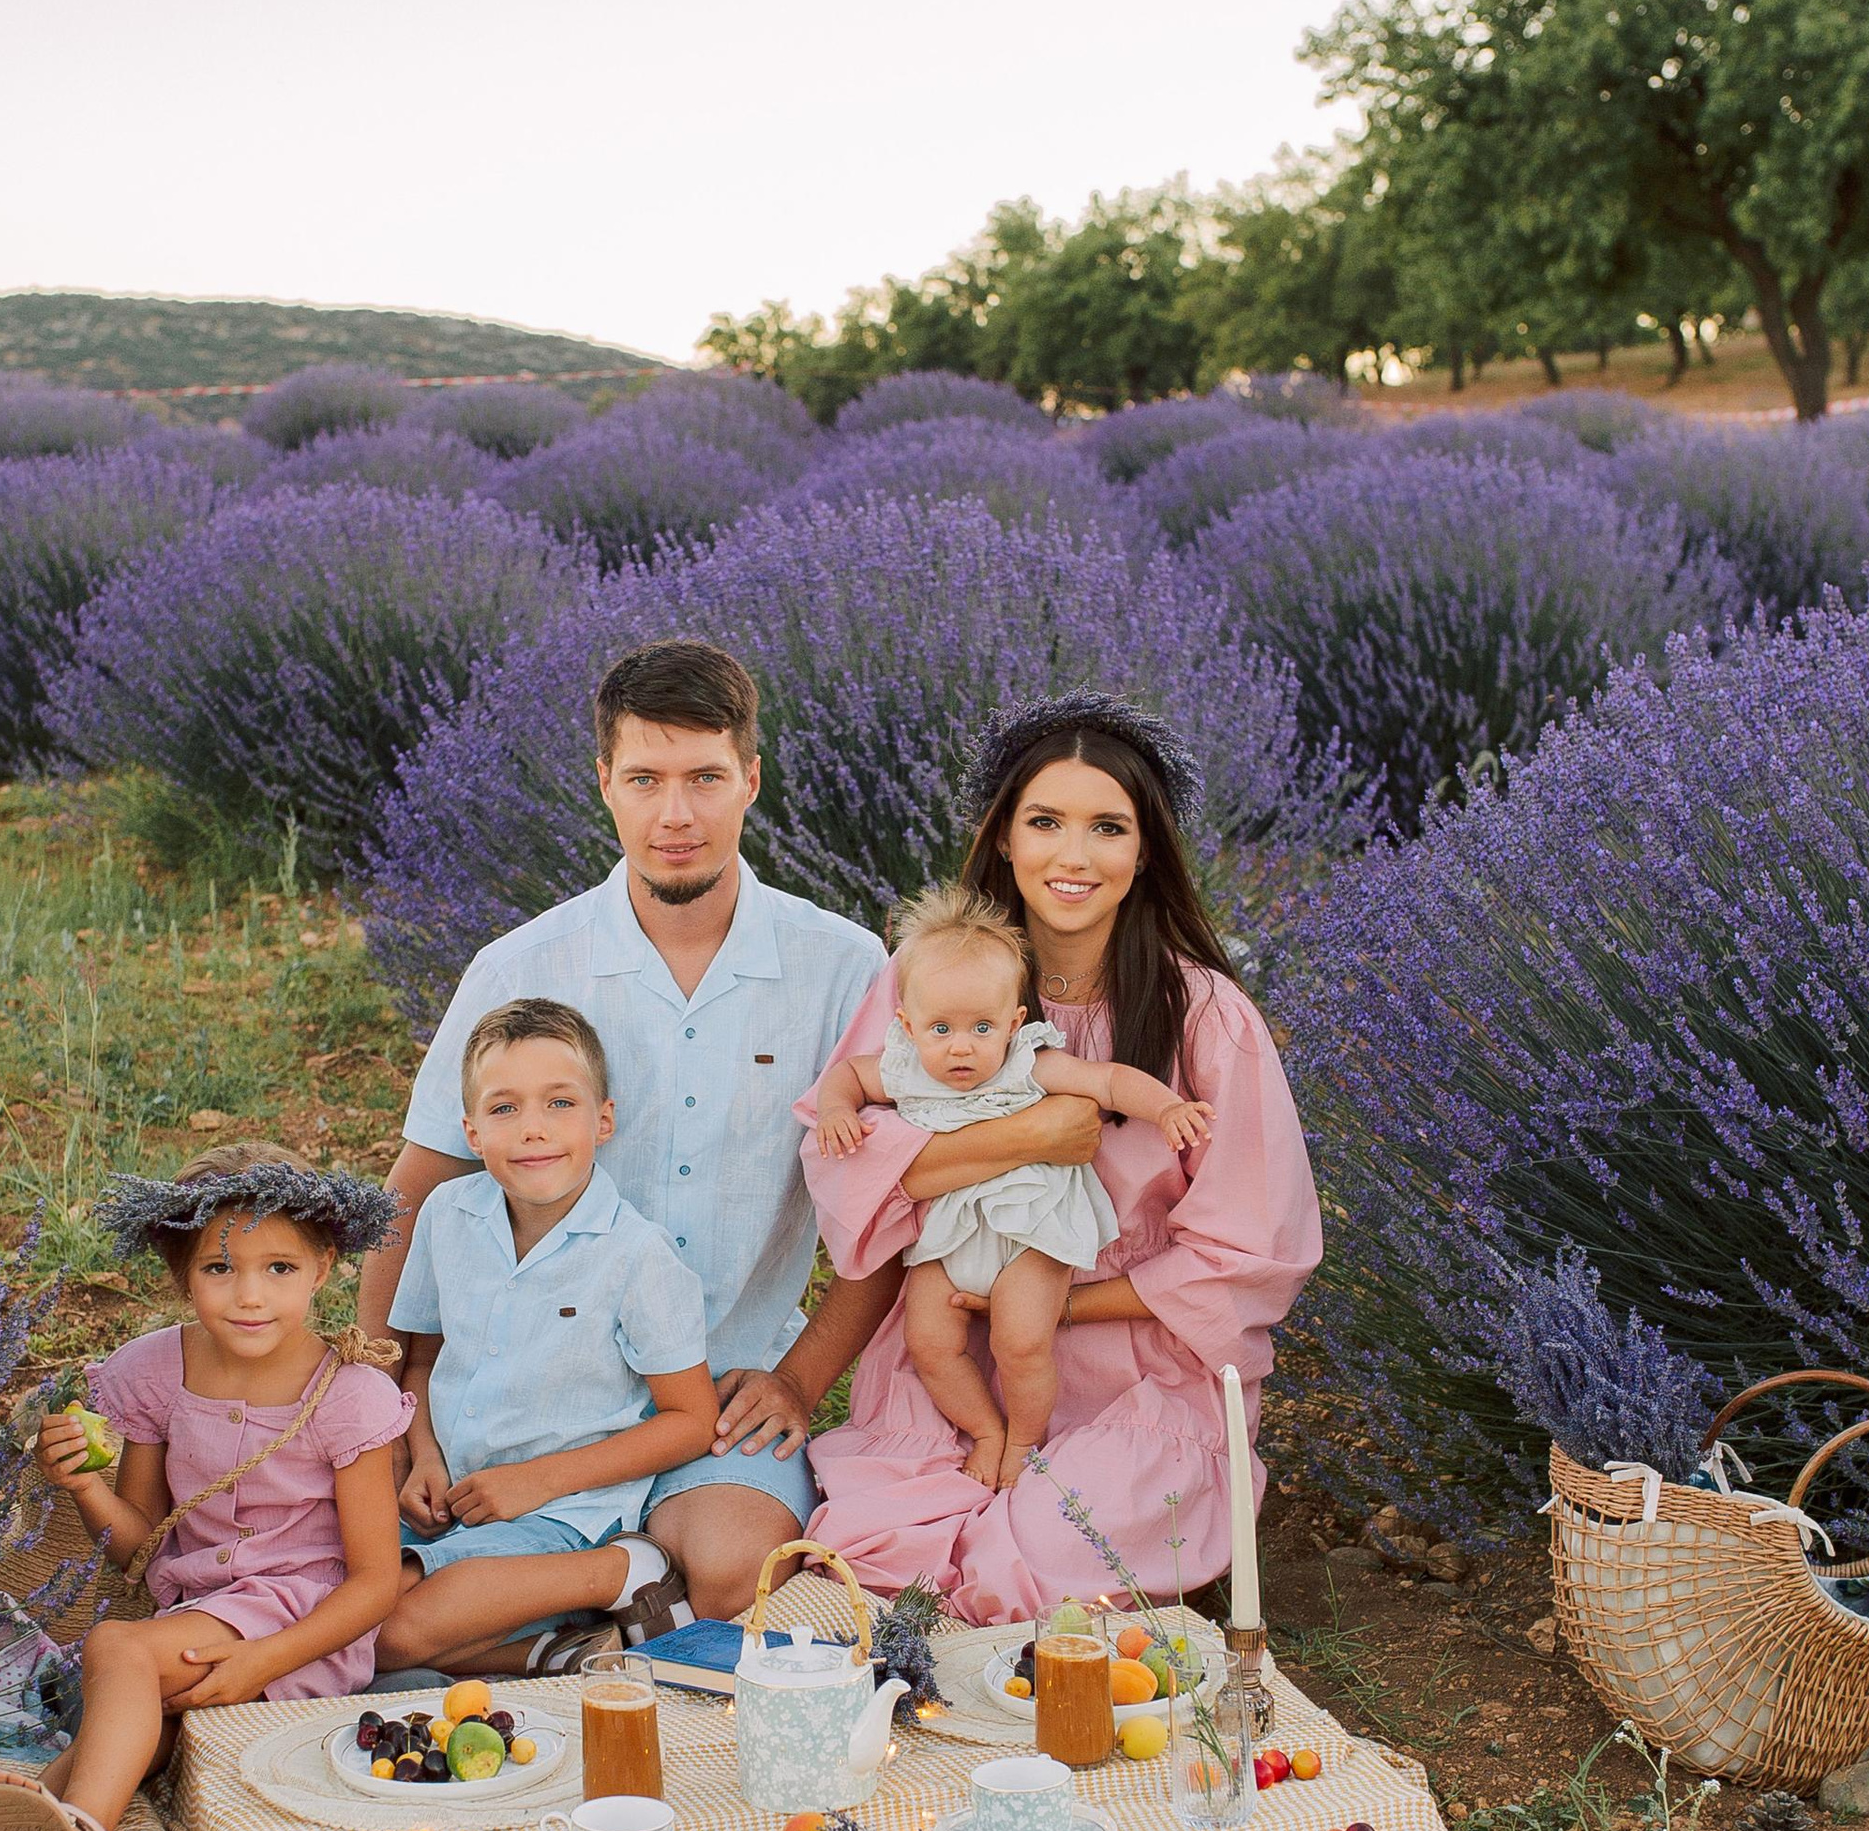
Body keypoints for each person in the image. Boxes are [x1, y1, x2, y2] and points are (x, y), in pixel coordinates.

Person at [356, 639, 889, 1623]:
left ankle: (593, 1589)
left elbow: (895, 1211)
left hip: (719, 1391)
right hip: (525, 1396)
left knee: (731, 1568)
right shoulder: (521, 967)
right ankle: (605, 1595)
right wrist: (378, 1400)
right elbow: (419, 1181)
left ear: (752, 779)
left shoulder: (844, 969)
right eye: (645, 779)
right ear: (604, 782)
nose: (675, 814)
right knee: (361, 1578)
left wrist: (798, 1379)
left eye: (705, 778)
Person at [799, 693, 1322, 1620]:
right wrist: (1023, 1139)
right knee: (882, 1549)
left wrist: (1056, 1304)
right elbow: (851, 1169)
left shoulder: (1206, 1016)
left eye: (1107, 828)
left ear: (1145, 851)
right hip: (957, 1347)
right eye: (1044, 822)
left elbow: (1250, 1250)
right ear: (1003, 837)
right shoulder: (933, 985)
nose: (1073, 857)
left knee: (1037, 1553)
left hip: (1139, 1371)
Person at [0, 1143, 410, 1831]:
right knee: (131, 1731)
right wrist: (83, 1486)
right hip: (196, 1621)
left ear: (323, 1267)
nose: (249, 1295)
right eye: (219, 1269)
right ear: (181, 1274)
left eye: (279, 1268)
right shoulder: (153, 1371)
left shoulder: (350, 1397)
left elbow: (376, 1583)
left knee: (117, 1650)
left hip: (299, 1632)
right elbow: (139, 1544)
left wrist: (264, 1660)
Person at [814, 884, 1212, 1492]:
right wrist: (836, 1110)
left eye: (982, 1026)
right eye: (940, 1028)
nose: (961, 1046)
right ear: (907, 1026)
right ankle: (986, 1429)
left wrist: (1166, 1108)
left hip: (1032, 1230)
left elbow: (1107, 1081)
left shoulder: (1025, 1064)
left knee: (1021, 1341)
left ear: (1014, 1022)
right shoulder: (904, 1069)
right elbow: (846, 1073)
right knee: (929, 1342)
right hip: (949, 1235)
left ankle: (1025, 1439)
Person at [378, 999, 718, 1674]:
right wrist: (422, 1455)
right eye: (504, 1108)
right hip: (453, 1500)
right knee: (330, 1601)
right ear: (472, 1131)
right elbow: (422, 1358)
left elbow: (691, 1420)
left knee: (387, 1631)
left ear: (603, 1120)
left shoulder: (636, 1256)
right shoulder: (447, 1215)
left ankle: (622, 1573)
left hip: (566, 1516)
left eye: (560, 1103)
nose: (533, 1129)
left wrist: (534, 1482)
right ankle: (547, 1653)